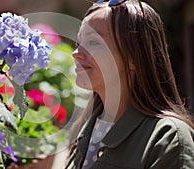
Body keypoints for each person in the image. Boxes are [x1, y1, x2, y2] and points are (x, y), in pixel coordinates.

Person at [65, 0, 194, 169]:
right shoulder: (85, 131)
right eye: (79, 42)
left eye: (93, 42)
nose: (76, 53)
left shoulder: (168, 138)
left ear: (133, 57)